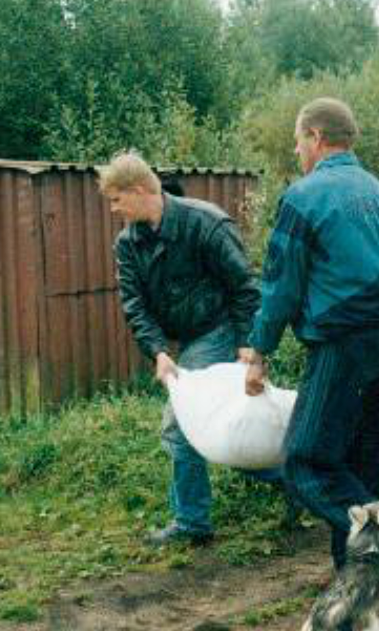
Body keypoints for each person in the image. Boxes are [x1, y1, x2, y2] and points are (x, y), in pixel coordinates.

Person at [241, 98, 379, 572]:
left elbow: (280, 287)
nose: (297, 152)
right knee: (359, 472)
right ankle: (359, 586)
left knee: (308, 464)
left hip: (344, 344)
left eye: (298, 142)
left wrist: (259, 350)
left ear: (316, 137)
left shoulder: (304, 196)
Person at [99, 151, 262, 546]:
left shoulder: (204, 222)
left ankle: (192, 523)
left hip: (219, 328)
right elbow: (134, 306)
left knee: (179, 426)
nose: (113, 208)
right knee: (228, 426)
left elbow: (245, 286)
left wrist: (247, 343)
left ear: (139, 191)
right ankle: (297, 479)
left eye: (117, 199)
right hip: (184, 340)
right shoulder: (128, 243)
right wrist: (157, 351)